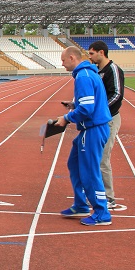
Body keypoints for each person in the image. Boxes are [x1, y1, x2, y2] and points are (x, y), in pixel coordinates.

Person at [55, 46, 112, 226]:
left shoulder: (83, 77)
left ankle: (102, 213)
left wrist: (66, 118)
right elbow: (88, 103)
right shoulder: (86, 74)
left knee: (89, 171)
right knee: (74, 163)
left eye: (63, 61)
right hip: (92, 128)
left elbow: (87, 109)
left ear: (72, 58)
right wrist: (73, 104)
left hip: (93, 129)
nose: (62, 64)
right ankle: (81, 205)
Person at [87, 41, 124, 208]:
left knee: (103, 159)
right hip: (98, 119)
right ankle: (97, 193)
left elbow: (117, 94)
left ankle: (109, 198)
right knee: (94, 157)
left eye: (92, 53)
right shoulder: (97, 71)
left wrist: (99, 109)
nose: (89, 57)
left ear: (101, 52)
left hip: (109, 119)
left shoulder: (113, 70)